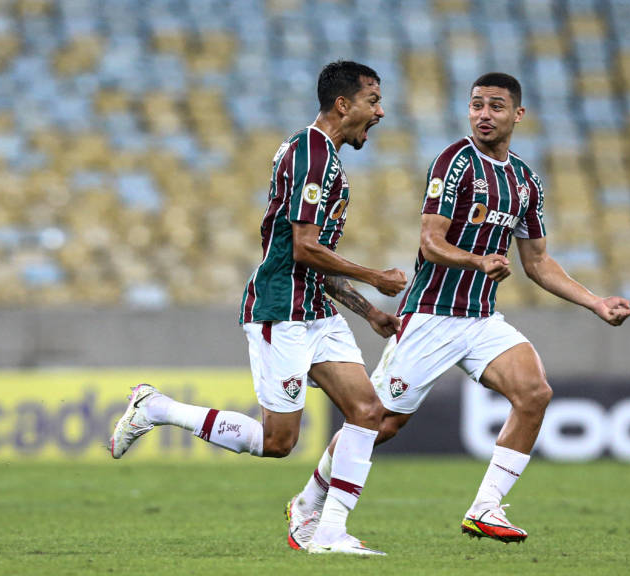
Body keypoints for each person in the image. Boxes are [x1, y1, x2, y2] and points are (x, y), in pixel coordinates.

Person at [286, 72, 630, 546]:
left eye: (495, 106)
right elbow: (430, 242)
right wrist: (477, 260)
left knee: (534, 393)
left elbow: (537, 262)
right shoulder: (455, 162)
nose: (483, 115)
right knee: (381, 423)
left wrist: (595, 302)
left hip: (481, 319)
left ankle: (485, 507)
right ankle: (308, 502)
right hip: (432, 314)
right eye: (476, 105)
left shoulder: (525, 182)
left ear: (518, 114)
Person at [109, 60, 407, 556]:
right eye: (372, 101)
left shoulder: (319, 154)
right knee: (278, 442)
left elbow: (308, 255)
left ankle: (325, 528)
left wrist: (368, 310)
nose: (380, 112)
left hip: (314, 307)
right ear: (343, 104)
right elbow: (304, 249)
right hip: (280, 309)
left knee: (368, 412)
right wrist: (374, 277)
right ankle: (156, 408)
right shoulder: (312, 154)